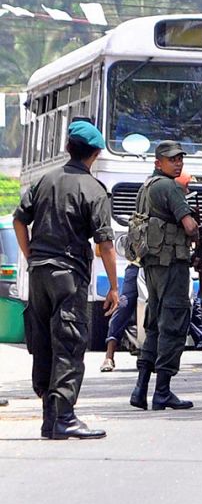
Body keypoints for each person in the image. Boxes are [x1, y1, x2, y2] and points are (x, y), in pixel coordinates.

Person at [13, 120, 119, 439]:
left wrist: (31, 256)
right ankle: (65, 418)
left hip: (40, 273)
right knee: (69, 343)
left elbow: (20, 221)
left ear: (68, 148)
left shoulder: (45, 180)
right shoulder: (94, 189)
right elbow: (106, 245)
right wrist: (113, 287)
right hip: (68, 275)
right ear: (96, 153)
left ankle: (50, 417)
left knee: (43, 342)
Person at [128, 140, 202, 412]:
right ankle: (162, 392)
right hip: (171, 264)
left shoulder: (145, 187)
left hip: (152, 265)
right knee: (173, 324)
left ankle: (140, 388)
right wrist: (195, 227)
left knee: (154, 325)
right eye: (172, 160)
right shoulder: (170, 187)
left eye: (180, 159)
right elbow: (189, 226)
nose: (178, 163)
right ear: (158, 162)